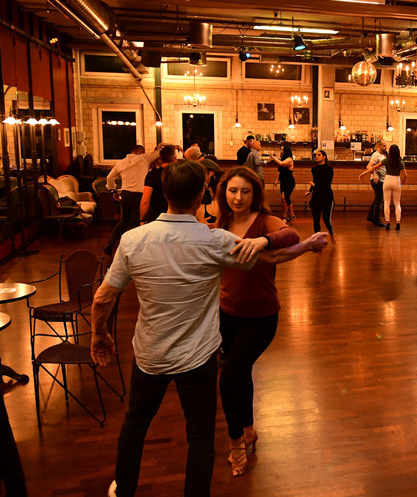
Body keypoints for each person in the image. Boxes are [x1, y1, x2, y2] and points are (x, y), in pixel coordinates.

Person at [90, 160, 276, 497]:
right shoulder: (216, 240)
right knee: (200, 434)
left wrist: (99, 334)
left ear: (164, 193)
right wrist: (296, 244)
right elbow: (266, 258)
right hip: (197, 358)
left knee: (135, 423)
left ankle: (125, 489)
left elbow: (103, 298)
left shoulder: (133, 239)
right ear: (202, 194)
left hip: (150, 355)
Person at [215, 166, 328, 477]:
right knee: (240, 371)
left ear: (255, 194)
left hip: (261, 316)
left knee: (228, 377)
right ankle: (248, 428)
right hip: (227, 313)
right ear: (224, 193)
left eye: (245, 191)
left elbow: (290, 234)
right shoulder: (221, 223)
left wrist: (263, 241)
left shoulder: (264, 221)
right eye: (233, 191)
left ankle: (236, 442)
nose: (238, 197)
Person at [103, 144, 160, 256]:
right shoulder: (143, 158)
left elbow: (109, 178)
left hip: (126, 195)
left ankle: (110, 245)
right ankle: (135, 250)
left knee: (124, 221)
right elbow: (160, 153)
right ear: (140, 153)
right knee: (135, 223)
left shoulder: (121, 162)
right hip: (138, 195)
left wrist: (113, 190)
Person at [139, 144, 176, 224]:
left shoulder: (152, 175)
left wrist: (142, 219)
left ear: (160, 159)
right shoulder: (179, 174)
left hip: (157, 217)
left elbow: (145, 200)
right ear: (174, 159)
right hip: (176, 217)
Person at [306, 149, 335, 242]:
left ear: (324, 157)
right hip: (316, 197)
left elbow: (326, 184)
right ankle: (318, 239)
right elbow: (315, 181)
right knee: (316, 219)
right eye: (316, 155)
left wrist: (314, 185)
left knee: (326, 219)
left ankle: (332, 234)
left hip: (326, 197)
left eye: (319, 155)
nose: (316, 157)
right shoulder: (314, 169)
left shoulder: (329, 169)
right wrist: (310, 191)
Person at [271, 144, 296, 222]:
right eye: (281, 149)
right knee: (285, 198)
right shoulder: (283, 159)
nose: (281, 151)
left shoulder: (289, 159)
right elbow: (280, 170)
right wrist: (277, 180)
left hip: (289, 181)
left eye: (282, 149)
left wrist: (272, 157)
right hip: (283, 181)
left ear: (286, 151)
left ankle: (285, 216)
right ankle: (291, 214)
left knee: (284, 198)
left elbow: (281, 164)